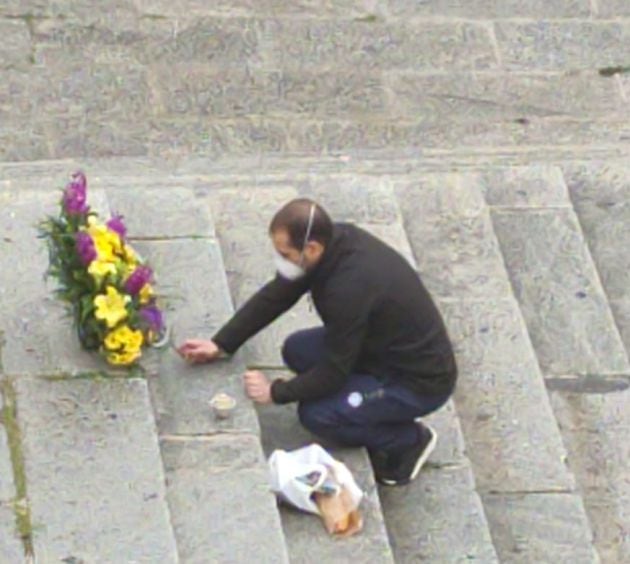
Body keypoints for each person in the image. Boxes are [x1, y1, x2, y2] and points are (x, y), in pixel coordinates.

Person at [177, 199, 457, 486]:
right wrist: (222, 343)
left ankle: (409, 441)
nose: (281, 260)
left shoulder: (347, 289)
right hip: (373, 349)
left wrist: (276, 391)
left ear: (311, 248)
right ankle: (362, 397)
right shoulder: (332, 244)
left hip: (416, 382)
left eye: (285, 254)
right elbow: (279, 294)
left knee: (318, 415)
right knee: (296, 350)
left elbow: (334, 372)